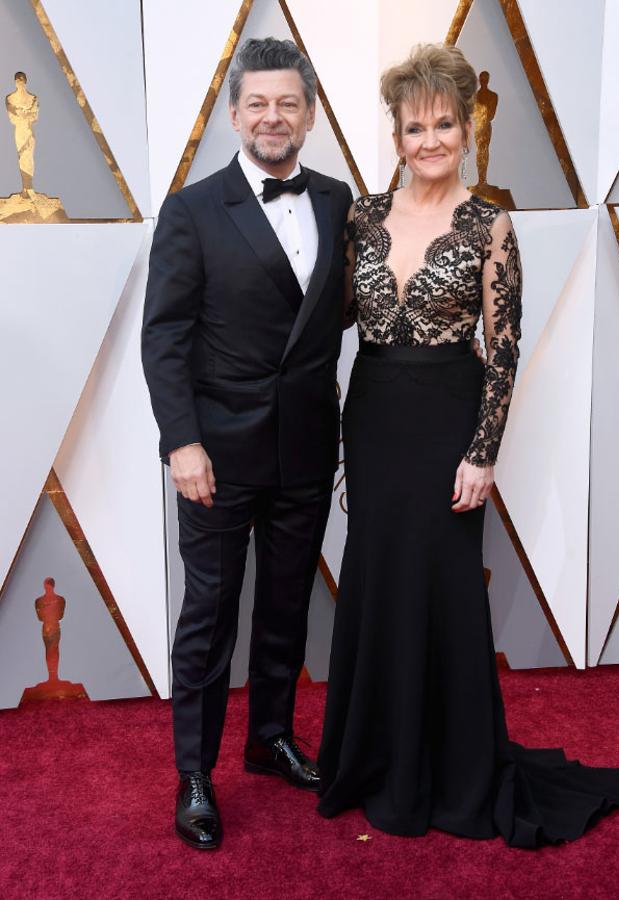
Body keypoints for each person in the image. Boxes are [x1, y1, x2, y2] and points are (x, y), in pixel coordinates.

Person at [317, 44, 619, 847]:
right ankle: (374, 760)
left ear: (466, 130)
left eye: (443, 124)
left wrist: (482, 452)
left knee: (444, 589)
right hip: (376, 415)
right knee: (378, 580)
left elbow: (506, 346)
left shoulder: (492, 225)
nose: (429, 140)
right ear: (396, 135)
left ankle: (448, 770)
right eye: (414, 126)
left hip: (450, 416)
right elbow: (342, 317)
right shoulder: (362, 216)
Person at [142, 37, 353, 850]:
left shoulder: (338, 200)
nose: (274, 116)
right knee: (209, 615)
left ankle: (269, 739)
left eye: (288, 103)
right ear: (235, 114)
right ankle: (194, 772)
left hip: (307, 445)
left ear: (309, 114)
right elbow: (164, 336)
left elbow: (340, 308)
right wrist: (181, 443)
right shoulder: (192, 210)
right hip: (217, 456)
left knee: (286, 607)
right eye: (258, 103)